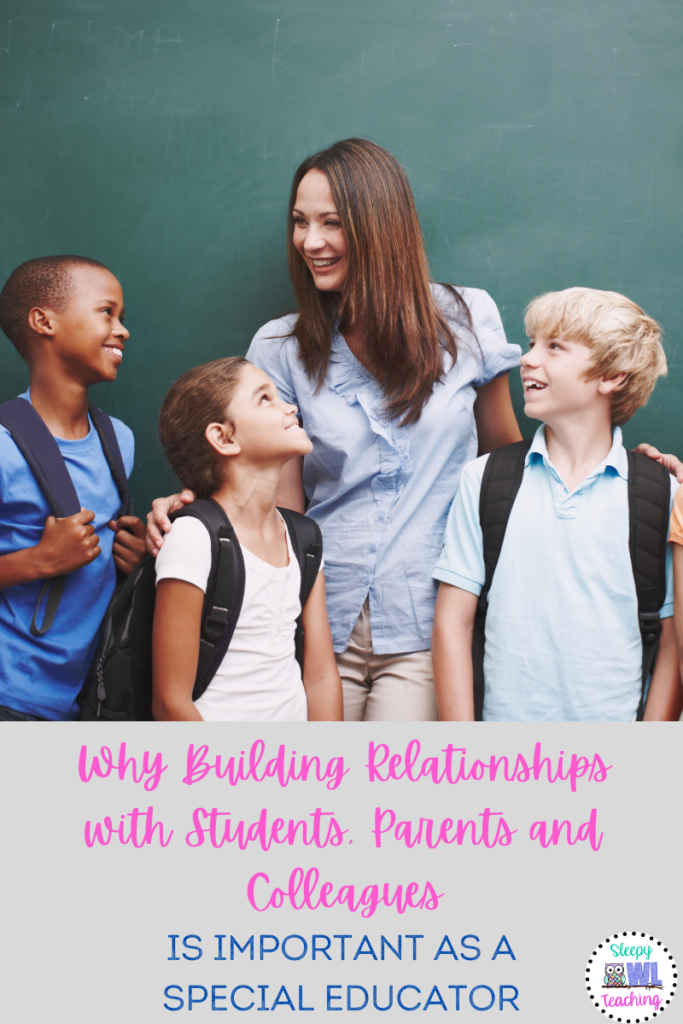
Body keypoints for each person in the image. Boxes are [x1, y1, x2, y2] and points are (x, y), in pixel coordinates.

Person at [147, 138, 682, 722]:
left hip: (431, 624)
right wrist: (199, 510)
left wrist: (630, 474)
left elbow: (507, 460)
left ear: (380, 226)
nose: (310, 241)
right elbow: (277, 504)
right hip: (313, 622)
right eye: (300, 222)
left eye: (332, 222)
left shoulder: (467, 317)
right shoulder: (279, 347)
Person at [431, 287, 682, 721]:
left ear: (613, 375)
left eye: (555, 347)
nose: (528, 359)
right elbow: (453, 624)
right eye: (531, 345)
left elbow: (673, 640)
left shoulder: (661, 494)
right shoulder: (486, 479)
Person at [152, 356, 343, 722]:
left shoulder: (304, 540)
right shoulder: (193, 537)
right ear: (224, 438)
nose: (290, 408)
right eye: (265, 399)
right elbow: (170, 702)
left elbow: (320, 677)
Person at [0, 255, 147, 721]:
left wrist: (132, 556)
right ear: (44, 321)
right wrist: (38, 560)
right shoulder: (3, 447)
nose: (122, 330)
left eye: (122, 317)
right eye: (107, 312)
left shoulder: (118, 440)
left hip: (88, 699)